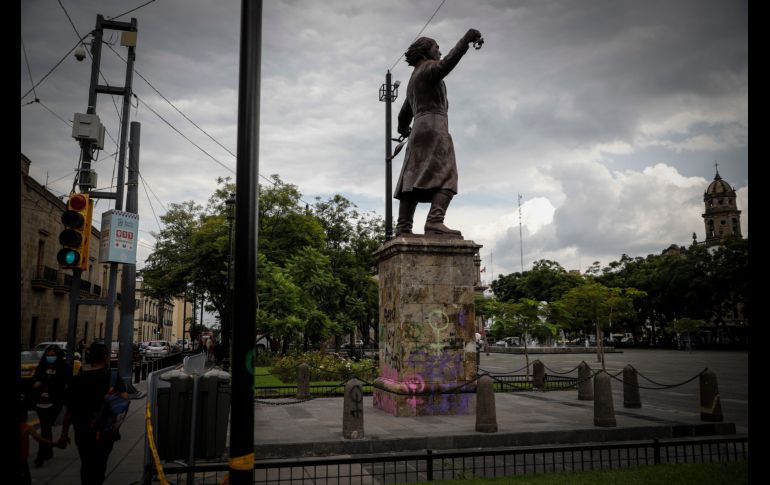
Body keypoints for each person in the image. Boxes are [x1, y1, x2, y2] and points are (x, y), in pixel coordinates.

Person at [394, 28, 483, 238]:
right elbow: (447, 64)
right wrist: (465, 40)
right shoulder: (428, 69)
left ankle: (403, 226)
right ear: (426, 52)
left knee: (411, 177)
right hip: (435, 127)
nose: (439, 52)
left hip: (418, 130)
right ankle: (435, 221)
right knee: (448, 175)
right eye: (436, 48)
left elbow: (403, 115)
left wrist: (404, 129)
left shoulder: (412, 80)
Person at [58, 342, 127, 485]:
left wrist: (64, 434)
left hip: (82, 430)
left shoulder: (77, 380)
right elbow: (124, 403)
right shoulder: (113, 378)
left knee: (86, 463)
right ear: (105, 358)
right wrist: (115, 425)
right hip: (105, 430)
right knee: (100, 465)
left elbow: (69, 411)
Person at [30, 343, 71, 467]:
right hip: (41, 402)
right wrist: (36, 384)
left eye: (53, 355)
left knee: (46, 427)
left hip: (55, 402)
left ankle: (41, 455)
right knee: (45, 427)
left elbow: (66, 383)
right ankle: (47, 451)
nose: (50, 357)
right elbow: (34, 380)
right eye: (48, 355)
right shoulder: (42, 367)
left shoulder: (64, 367)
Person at [20, 397, 66, 485]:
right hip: (23, 458)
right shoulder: (27, 428)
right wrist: (56, 444)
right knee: (26, 476)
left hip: (23, 458)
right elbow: (40, 439)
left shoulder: (26, 428)